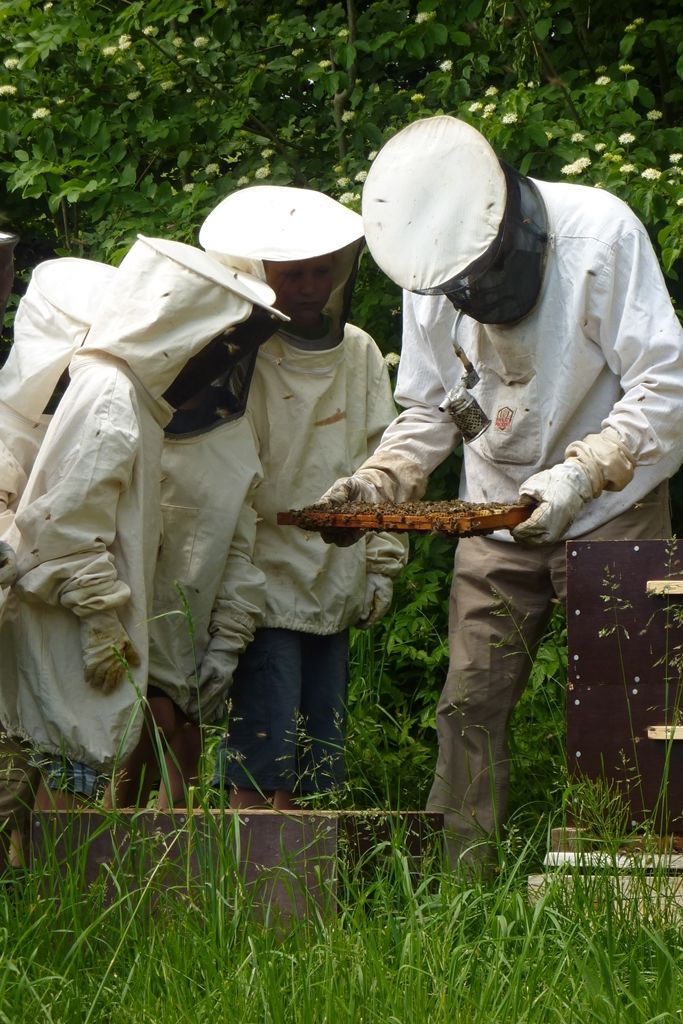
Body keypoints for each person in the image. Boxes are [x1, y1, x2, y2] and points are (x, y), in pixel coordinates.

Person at [318, 115, 683, 866]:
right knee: (468, 702)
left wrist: (583, 472)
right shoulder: (431, 271)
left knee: (626, 701)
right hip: (491, 510)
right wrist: (379, 480)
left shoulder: (599, 234)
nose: (472, 294)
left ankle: (632, 873)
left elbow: (665, 385)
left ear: (513, 227)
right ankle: (459, 879)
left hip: (611, 507)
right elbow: (428, 407)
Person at [0, 235, 284, 811]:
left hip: (70, 628)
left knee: (47, 800)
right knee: (20, 794)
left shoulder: (127, 394)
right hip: (66, 625)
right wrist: (103, 616)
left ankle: (41, 897)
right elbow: (64, 526)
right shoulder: (110, 394)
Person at [200, 185, 408, 808]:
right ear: (263, 273)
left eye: (322, 271)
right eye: (294, 273)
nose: (311, 286)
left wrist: (381, 562)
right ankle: (254, 893)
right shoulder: (246, 355)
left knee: (322, 762)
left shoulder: (362, 351)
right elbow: (229, 479)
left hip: (338, 576)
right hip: (262, 583)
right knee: (262, 763)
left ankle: (305, 893)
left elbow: (387, 459)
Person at [0, 255, 115, 864]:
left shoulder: (102, 411)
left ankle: (59, 910)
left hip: (72, 632)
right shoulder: (6, 422)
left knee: (70, 779)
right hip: (12, 636)